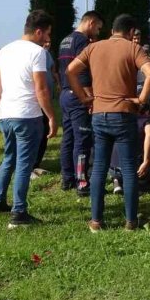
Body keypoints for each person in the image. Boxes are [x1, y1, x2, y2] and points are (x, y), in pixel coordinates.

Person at [67, 14, 150, 232]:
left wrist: (83, 97)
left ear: (112, 30)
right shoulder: (133, 49)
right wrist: (141, 100)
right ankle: (130, 221)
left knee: (98, 167)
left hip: (98, 113)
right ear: (130, 32)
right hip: (124, 113)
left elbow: (70, 71)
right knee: (128, 168)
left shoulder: (94, 47)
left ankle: (96, 221)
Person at [0, 10, 58, 228]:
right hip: (27, 115)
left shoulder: (4, 50)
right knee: (24, 164)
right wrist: (51, 116)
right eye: (47, 33)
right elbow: (41, 88)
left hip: (7, 114)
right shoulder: (37, 53)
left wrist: (3, 108)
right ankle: (19, 213)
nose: (47, 38)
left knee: (9, 158)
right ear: (38, 31)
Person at [57, 11, 104, 194]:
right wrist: (89, 97)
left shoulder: (65, 40)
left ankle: (67, 178)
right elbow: (82, 72)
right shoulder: (82, 41)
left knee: (68, 138)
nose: (98, 33)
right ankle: (82, 182)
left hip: (65, 95)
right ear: (91, 23)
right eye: (98, 28)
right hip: (78, 95)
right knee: (83, 140)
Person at [32, 41, 61, 178]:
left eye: (49, 41)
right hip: (34, 101)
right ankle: (29, 167)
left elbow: (52, 70)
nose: (47, 43)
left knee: (44, 132)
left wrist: (57, 82)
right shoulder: (34, 53)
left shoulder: (47, 54)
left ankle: (37, 163)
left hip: (46, 99)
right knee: (34, 134)